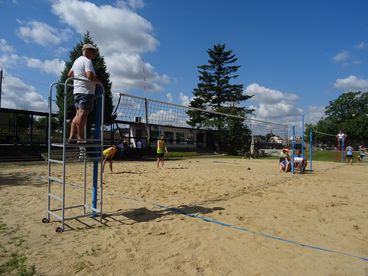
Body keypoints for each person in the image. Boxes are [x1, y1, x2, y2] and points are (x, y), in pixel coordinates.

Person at [67, 43, 99, 144]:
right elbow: (89, 76)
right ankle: (79, 138)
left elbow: (70, 74)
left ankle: (73, 136)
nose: (95, 54)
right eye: (94, 52)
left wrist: (78, 78)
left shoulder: (77, 61)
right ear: (89, 51)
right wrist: (98, 82)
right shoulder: (87, 61)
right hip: (86, 91)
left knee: (79, 115)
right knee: (82, 115)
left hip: (77, 91)